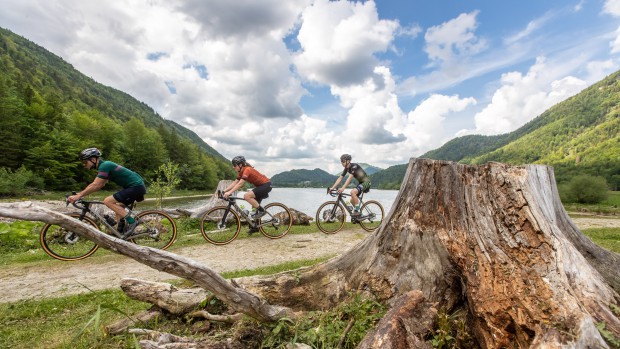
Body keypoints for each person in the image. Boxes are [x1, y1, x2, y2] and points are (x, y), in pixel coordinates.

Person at [68, 148, 146, 237]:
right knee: (119, 208)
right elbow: (100, 184)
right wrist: (80, 194)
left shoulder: (105, 165)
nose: (84, 165)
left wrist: (79, 195)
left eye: (85, 162)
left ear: (93, 159)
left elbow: (96, 185)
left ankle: (133, 222)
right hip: (135, 187)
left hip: (135, 187)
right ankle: (121, 234)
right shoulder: (104, 166)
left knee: (107, 201)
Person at [223, 156, 272, 232]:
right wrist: (224, 191)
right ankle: (255, 227)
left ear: (240, 165)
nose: (233, 167)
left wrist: (229, 192)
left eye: (234, 165)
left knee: (247, 196)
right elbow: (235, 182)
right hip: (261, 186)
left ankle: (262, 211)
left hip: (266, 185)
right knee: (254, 208)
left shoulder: (247, 170)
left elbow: (240, 184)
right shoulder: (241, 172)